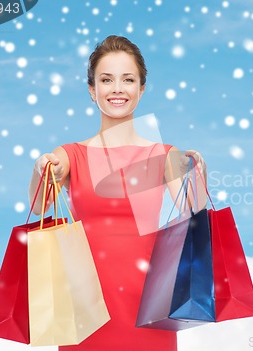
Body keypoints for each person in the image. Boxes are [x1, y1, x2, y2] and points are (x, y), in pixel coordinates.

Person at [28, 35, 207, 351]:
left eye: (128, 79)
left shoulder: (163, 155)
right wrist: (41, 168)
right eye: (106, 79)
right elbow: (40, 206)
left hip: (150, 310)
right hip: (87, 312)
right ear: (91, 89)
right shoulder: (72, 154)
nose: (117, 88)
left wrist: (199, 179)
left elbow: (196, 223)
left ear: (141, 89)